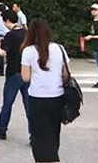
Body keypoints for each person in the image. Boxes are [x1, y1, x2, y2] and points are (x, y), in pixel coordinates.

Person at [21, 18, 68, 163]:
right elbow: (66, 74)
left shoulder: (28, 51)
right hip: (57, 97)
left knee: (40, 143)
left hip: (38, 98)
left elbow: (25, 77)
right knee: (53, 137)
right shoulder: (59, 48)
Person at [0, 10, 29, 140]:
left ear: (7, 21)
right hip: (27, 71)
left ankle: (2, 128)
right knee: (29, 104)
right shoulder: (26, 33)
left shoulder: (10, 35)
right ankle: (35, 134)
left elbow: (3, 53)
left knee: (8, 102)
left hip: (13, 71)